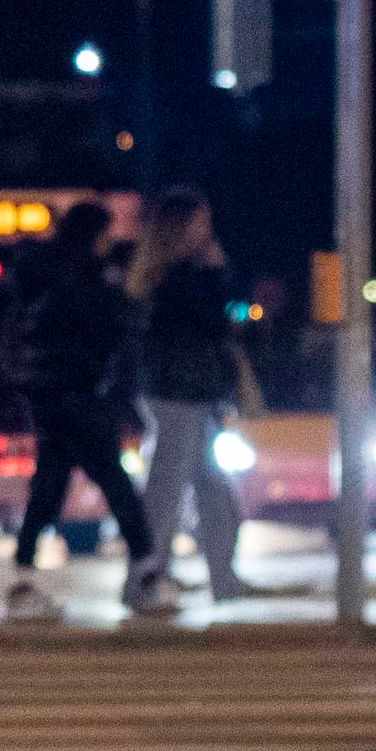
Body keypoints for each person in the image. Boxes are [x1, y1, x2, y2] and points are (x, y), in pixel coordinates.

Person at [0, 200, 166, 616]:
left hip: (49, 393)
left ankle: (23, 578)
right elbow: (110, 330)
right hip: (79, 392)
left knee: (50, 484)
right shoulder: (83, 281)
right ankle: (147, 573)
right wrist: (124, 300)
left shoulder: (45, 276)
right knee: (114, 481)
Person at [131, 186, 250, 603]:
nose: (209, 230)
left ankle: (223, 578)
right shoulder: (177, 277)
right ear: (181, 228)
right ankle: (146, 581)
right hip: (179, 392)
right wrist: (216, 273)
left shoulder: (167, 274)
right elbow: (212, 321)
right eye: (202, 222)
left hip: (188, 390)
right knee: (167, 490)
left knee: (212, 487)